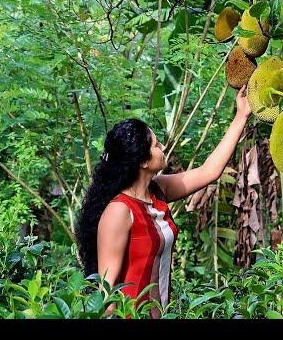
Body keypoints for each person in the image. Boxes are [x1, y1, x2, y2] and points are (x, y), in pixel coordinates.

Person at [75, 85, 251, 318]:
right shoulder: (119, 211)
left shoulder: (158, 191)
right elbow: (106, 294)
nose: (163, 147)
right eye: (157, 145)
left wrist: (242, 115)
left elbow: (209, 171)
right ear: (143, 161)